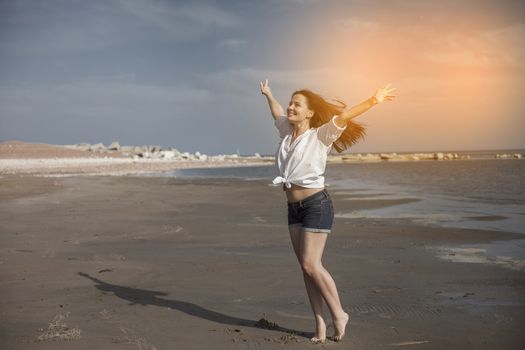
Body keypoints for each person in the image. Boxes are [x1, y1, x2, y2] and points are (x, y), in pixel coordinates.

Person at [260, 79, 395, 343]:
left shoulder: (320, 135)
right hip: (293, 208)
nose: (290, 107)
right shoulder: (286, 131)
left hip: (315, 205)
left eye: (297, 104)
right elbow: (276, 111)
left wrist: (374, 100)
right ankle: (320, 327)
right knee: (305, 268)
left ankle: (339, 314)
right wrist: (268, 94)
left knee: (312, 264)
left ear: (309, 112)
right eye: (291, 102)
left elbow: (344, 115)